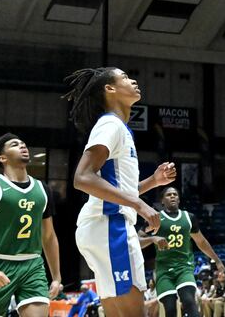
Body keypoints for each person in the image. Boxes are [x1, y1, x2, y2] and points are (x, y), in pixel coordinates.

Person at [64, 67, 177, 317]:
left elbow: (118, 191)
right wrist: (139, 205)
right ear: (110, 89)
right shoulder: (110, 125)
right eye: (125, 77)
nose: (133, 80)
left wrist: (152, 182)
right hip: (110, 225)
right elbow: (82, 177)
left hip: (104, 225)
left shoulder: (118, 128)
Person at [0, 133, 62, 317]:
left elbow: (48, 236)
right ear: (3, 158)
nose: (23, 146)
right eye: (15, 145)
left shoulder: (42, 189)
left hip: (33, 265)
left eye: (24, 144)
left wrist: (56, 277)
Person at [139, 187, 224, 317]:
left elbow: (201, 242)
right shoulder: (156, 219)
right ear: (162, 201)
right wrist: (152, 239)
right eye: (168, 195)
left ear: (178, 199)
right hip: (163, 270)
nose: (172, 196)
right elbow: (137, 241)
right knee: (170, 308)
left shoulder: (188, 218)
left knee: (189, 301)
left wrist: (217, 260)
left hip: (184, 267)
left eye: (175, 194)